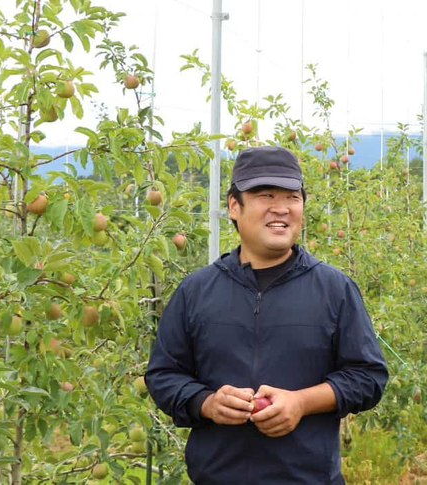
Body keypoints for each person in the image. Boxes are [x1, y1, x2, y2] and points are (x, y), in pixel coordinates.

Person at [145, 145, 388, 484]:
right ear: (234, 205)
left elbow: (368, 377)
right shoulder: (197, 291)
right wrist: (207, 402)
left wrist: (302, 402)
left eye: (292, 197)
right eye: (265, 195)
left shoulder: (334, 289)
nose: (281, 208)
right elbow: (163, 376)